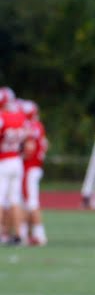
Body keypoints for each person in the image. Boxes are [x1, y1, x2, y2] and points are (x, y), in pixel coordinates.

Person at [20, 99, 48, 246]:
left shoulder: (30, 126)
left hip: (30, 167)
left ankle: (39, 234)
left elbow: (29, 148)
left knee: (31, 203)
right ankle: (27, 233)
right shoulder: (38, 126)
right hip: (36, 166)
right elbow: (45, 145)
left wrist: (20, 157)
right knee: (27, 202)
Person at [0, 87, 26, 245]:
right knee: (15, 200)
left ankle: (3, 232)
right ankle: (18, 234)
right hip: (17, 160)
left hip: (3, 161)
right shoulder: (20, 116)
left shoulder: (2, 117)